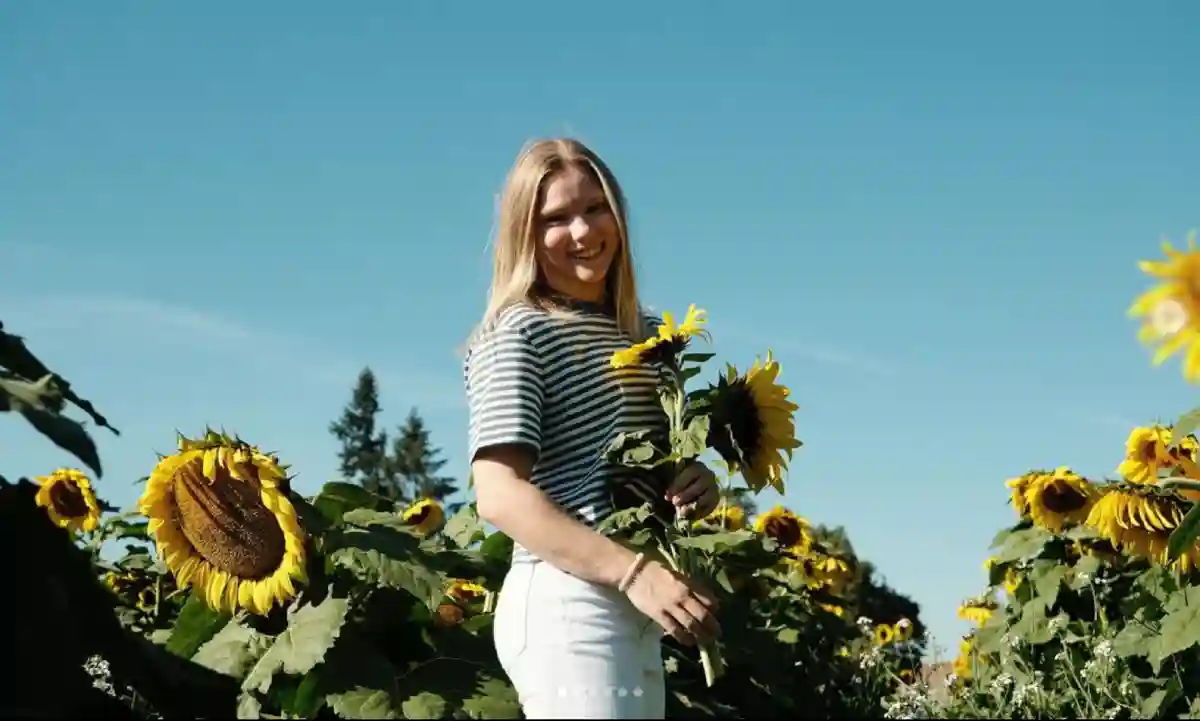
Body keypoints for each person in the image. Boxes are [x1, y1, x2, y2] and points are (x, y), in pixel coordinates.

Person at [463, 138, 724, 719]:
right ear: (524, 234)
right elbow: (499, 495)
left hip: (636, 603)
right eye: (555, 218)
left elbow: (627, 469)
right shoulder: (519, 332)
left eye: (594, 208)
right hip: (569, 604)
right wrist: (634, 573)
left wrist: (693, 483)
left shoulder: (648, 335)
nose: (582, 232)